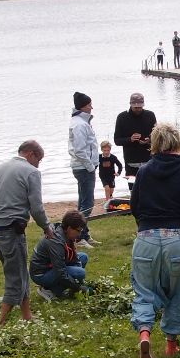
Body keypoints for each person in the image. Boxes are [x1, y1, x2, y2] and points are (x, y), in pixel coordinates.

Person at [130, 122, 180, 358]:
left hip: (146, 239)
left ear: (155, 144)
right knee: (176, 292)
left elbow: (134, 206)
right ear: (178, 144)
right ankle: (171, 345)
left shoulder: (143, 172)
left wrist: (144, 226)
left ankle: (145, 334)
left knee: (144, 290)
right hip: (176, 239)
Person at [0, 140, 55, 326]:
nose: (39, 165)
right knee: (14, 276)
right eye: (39, 160)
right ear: (31, 154)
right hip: (12, 230)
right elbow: (36, 207)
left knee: (19, 271)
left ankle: (27, 315)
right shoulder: (32, 172)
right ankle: (1, 324)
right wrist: (47, 227)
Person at [30, 210, 90, 301]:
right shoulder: (56, 241)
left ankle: (61, 288)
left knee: (83, 257)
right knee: (80, 273)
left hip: (52, 266)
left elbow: (74, 257)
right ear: (69, 228)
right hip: (41, 273)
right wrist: (78, 287)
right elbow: (60, 272)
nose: (79, 234)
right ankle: (49, 290)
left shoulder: (65, 233)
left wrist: (79, 281)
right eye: (78, 231)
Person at [68, 91, 99, 249]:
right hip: (84, 167)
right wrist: (90, 166)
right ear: (82, 106)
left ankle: (83, 234)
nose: (91, 107)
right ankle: (78, 237)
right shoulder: (79, 124)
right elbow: (80, 150)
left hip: (84, 167)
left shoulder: (81, 121)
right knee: (87, 203)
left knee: (83, 202)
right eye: (89, 105)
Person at [113, 92, 157, 190]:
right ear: (131, 105)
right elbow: (117, 140)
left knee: (150, 188)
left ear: (143, 105)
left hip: (148, 159)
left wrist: (149, 140)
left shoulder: (150, 115)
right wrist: (130, 139)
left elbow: (156, 136)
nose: (138, 109)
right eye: (135, 107)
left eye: (140, 107)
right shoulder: (122, 117)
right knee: (133, 189)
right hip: (131, 162)